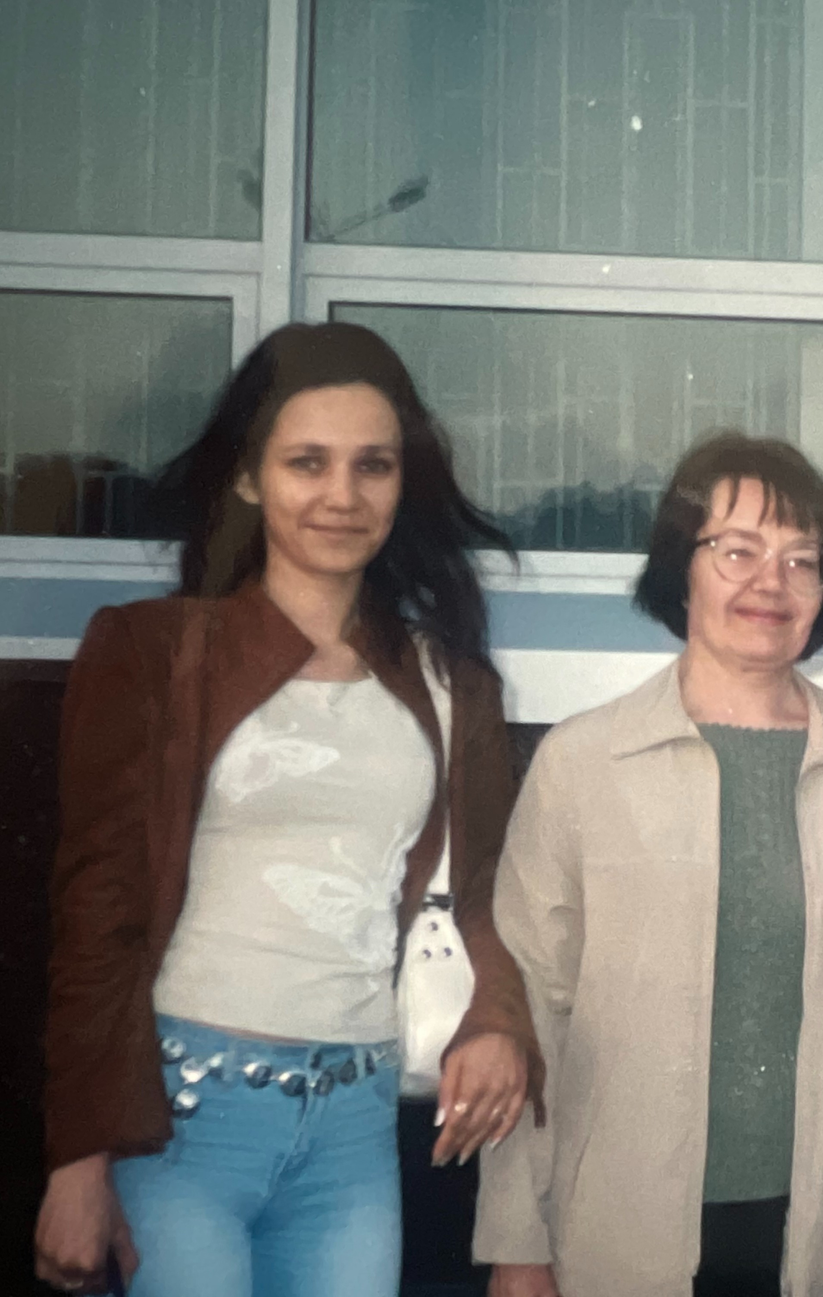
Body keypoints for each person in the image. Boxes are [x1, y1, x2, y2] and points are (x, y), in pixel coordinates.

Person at [33, 322, 542, 1297]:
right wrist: (77, 1157)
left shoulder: (451, 681)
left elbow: (485, 893)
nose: (342, 495)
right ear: (247, 476)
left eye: (373, 465)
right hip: (181, 1121)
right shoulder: (154, 651)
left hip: (355, 1129)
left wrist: (497, 1018)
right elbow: (98, 913)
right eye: (308, 462)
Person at [475, 433, 823, 1297]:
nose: (770, 581)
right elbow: (527, 1013)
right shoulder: (583, 763)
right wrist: (516, 1239)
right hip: (617, 1226)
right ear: (683, 567)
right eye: (737, 550)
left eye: (801, 559)